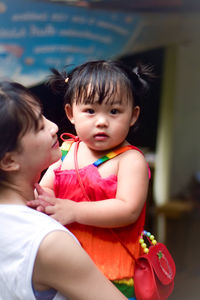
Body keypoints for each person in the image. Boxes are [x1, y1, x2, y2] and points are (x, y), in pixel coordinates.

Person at [28, 60, 153, 299]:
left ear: (133, 116)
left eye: (114, 111)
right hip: (64, 269)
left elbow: (127, 210)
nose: (102, 121)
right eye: (90, 111)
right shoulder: (66, 152)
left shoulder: (129, 160)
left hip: (113, 275)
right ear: (70, 113)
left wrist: (74, 210)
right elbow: (42, 193)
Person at [0, 80, 128, 300]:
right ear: (9, 161)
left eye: (44, 116)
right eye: (39, 126)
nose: (53, 127)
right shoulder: (47, 241)